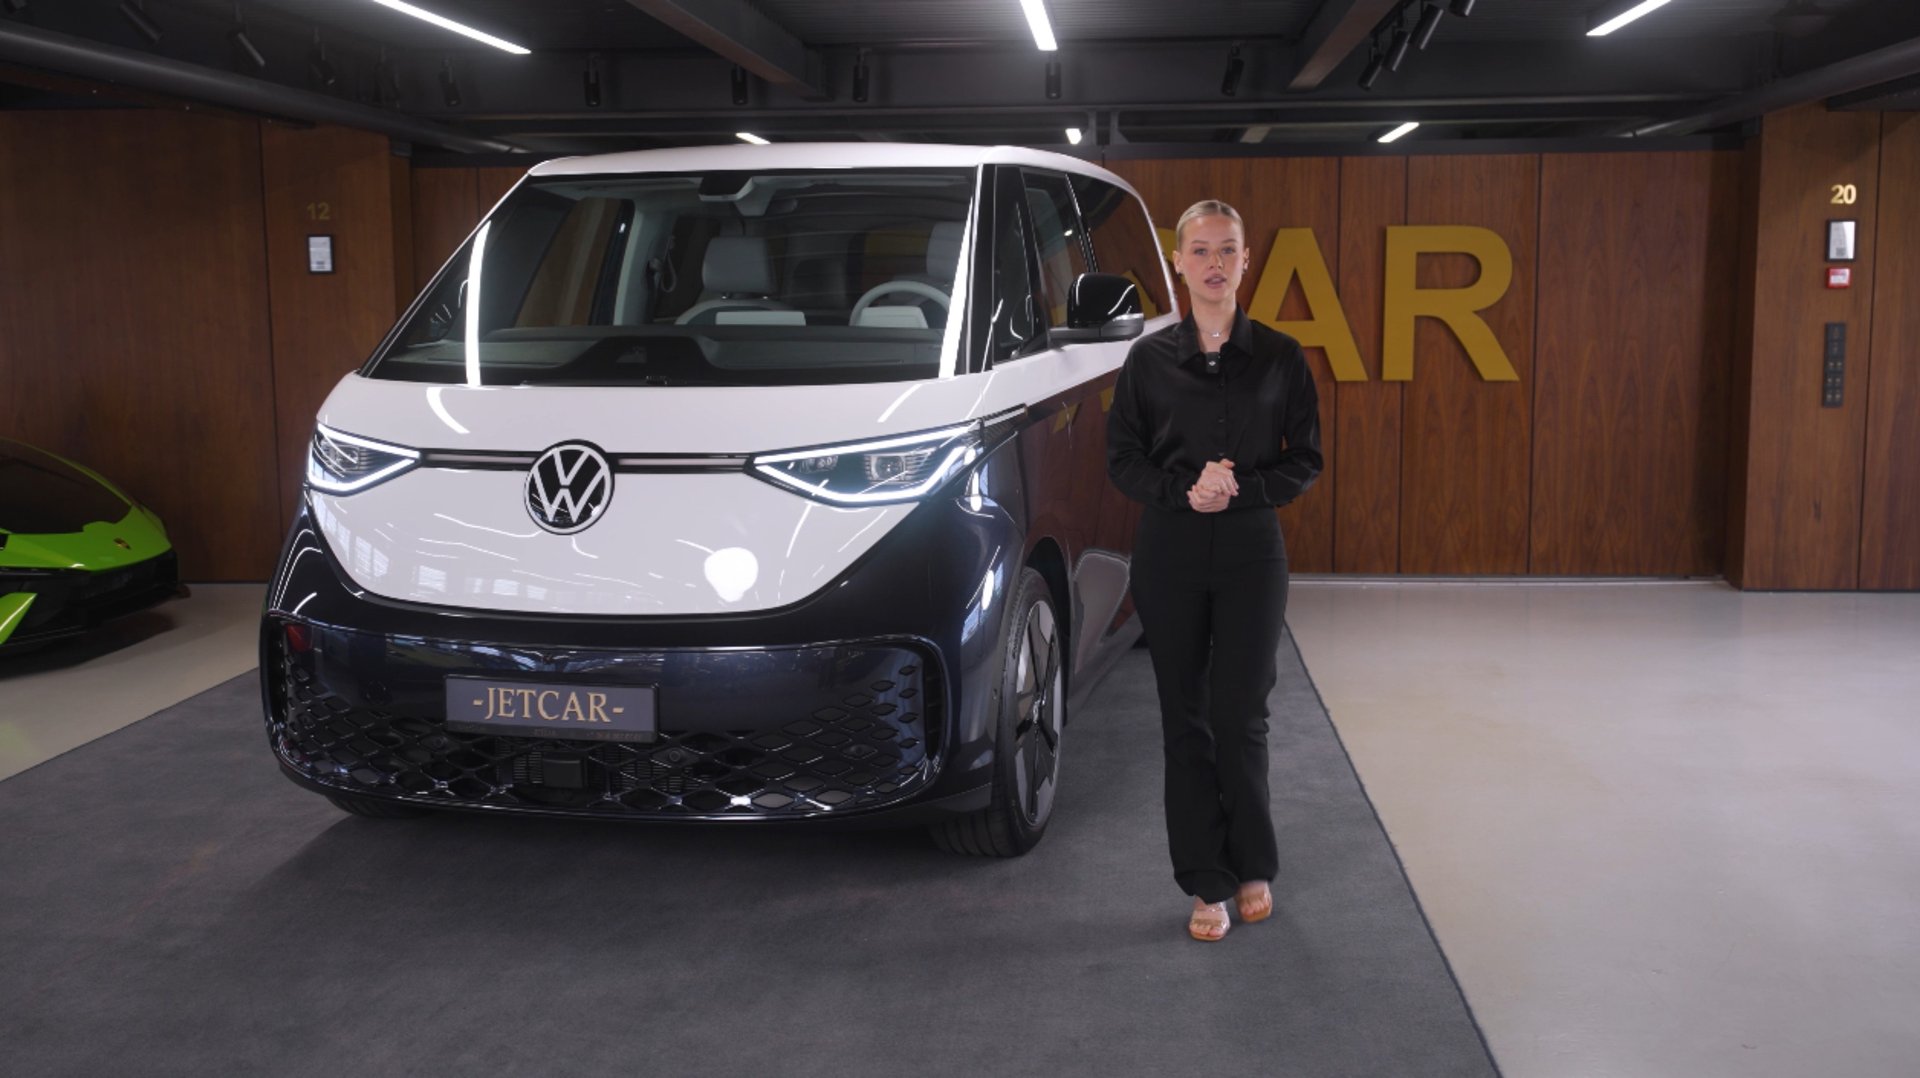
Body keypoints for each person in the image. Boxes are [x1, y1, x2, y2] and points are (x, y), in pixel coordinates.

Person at [1106, 199, 1323, 942]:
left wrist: (1240, 489)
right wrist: (1184, 491)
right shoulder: (1146, 360)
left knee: (1242, 713)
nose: (1214, 263)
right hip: (1168, 552)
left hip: (1251, 552)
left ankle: (1252, 862)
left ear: (1246, 259)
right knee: (1186, 717)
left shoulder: (1281, 357)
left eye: (1227, 249)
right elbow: (1122, 461)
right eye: (1199, 250)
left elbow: (1306, 460)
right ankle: (1207, 879)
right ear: (1178, 262)